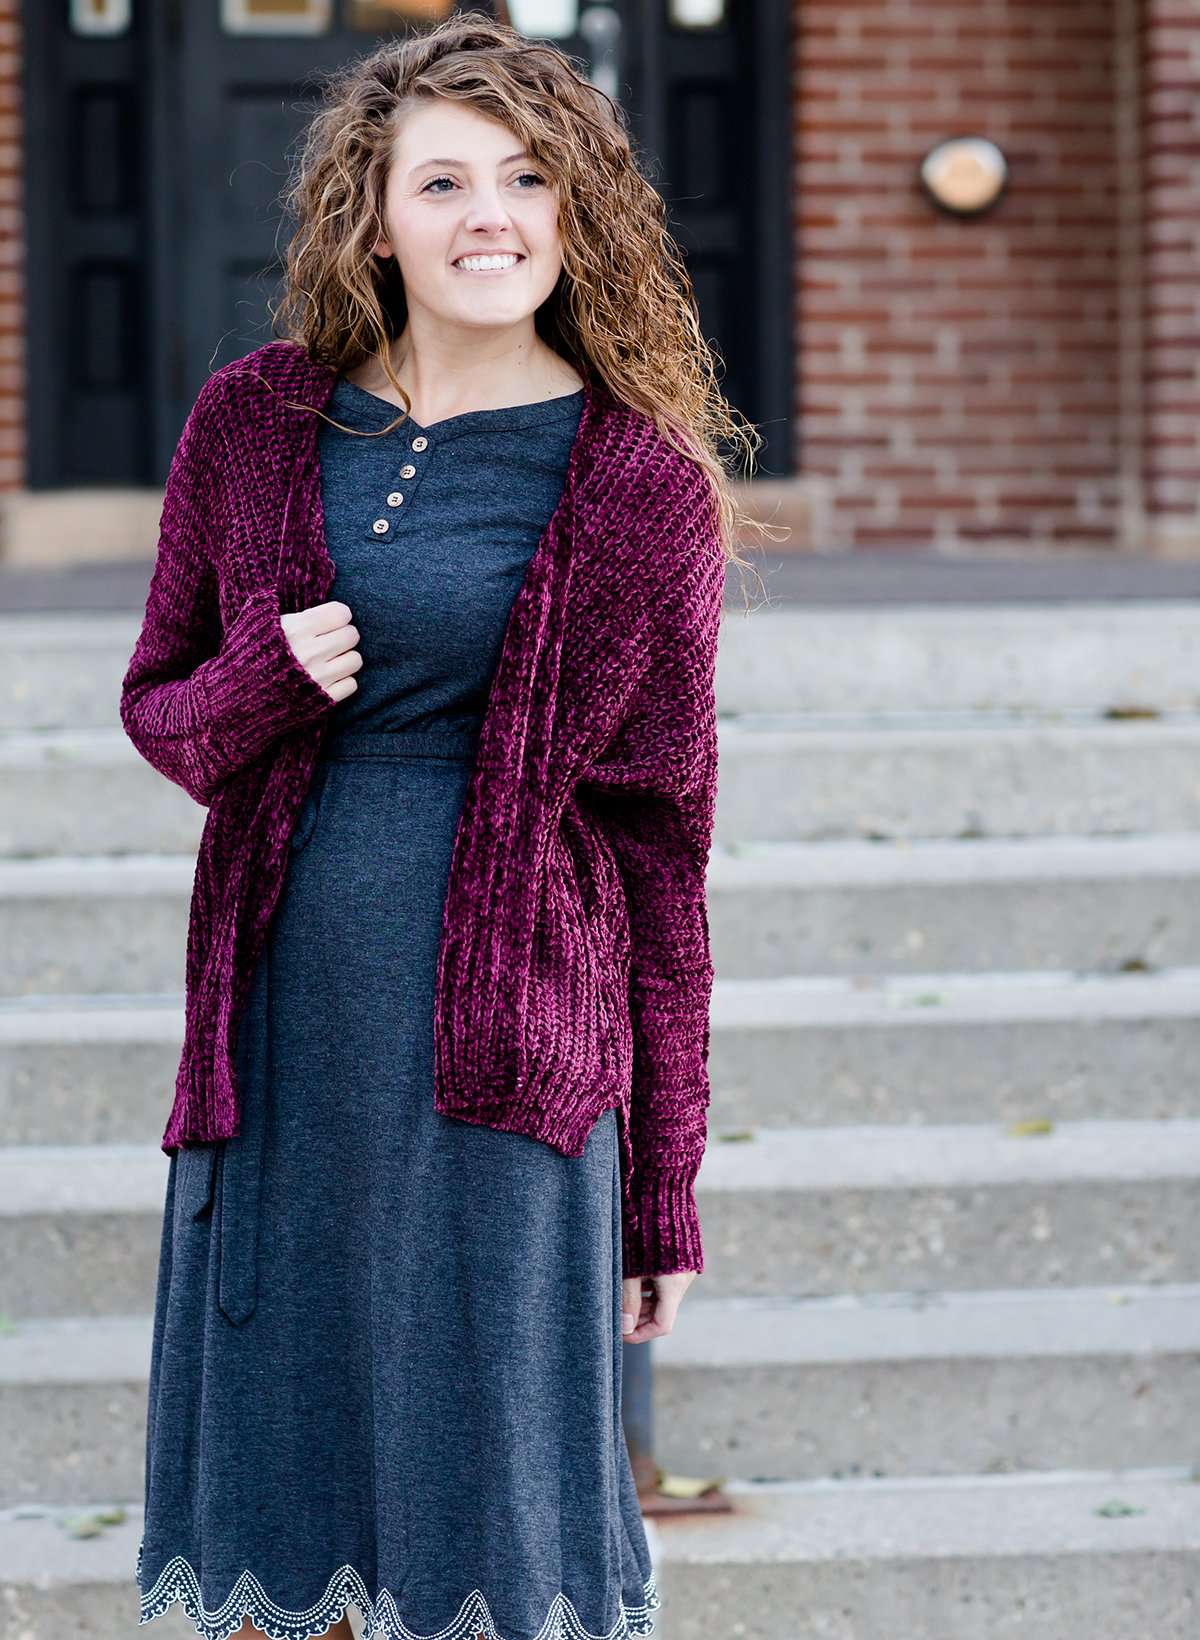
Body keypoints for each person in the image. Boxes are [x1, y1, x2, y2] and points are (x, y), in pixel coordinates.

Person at [125, 13, 765, 1640]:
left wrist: (664, 1183)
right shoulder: (256, 420)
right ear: (375, 213)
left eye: (530, 176)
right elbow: (166, 715)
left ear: (578, 212)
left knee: (482, 1513)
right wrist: (264, 685)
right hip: (279, 1028)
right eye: (445, 179)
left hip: (503, 1046)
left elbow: (660, 852)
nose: (493, 213)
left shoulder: (636, 486)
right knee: (291, 1478)